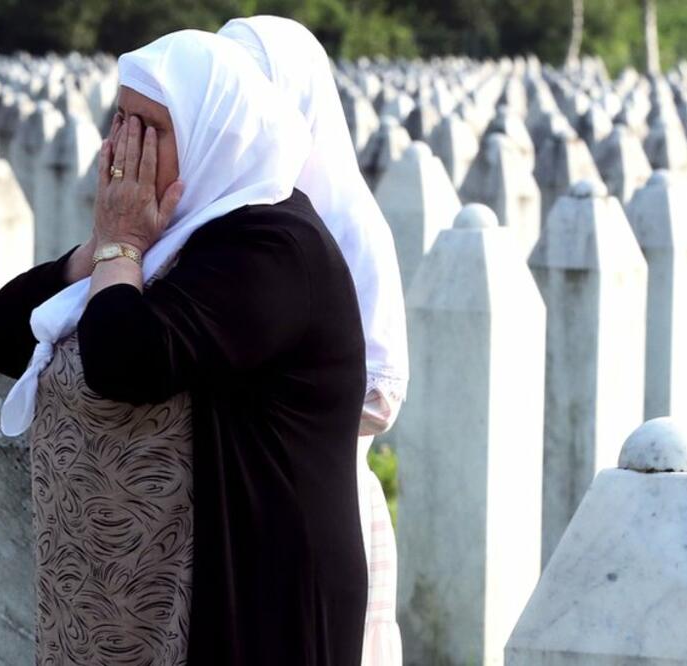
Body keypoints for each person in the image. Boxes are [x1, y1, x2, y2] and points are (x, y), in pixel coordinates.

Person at [0, 29, 369, 664]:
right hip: (149, 591)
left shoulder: (271, 248)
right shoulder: (179, 236)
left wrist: (121, 244)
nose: (120, 152)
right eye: (119, 121)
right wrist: (98, 251)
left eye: (149, 129)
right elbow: (2, 334)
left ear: (210, 132)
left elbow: (125, 362)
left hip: (254, 590)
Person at [218, 16, 408, 665]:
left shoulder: (350, 221)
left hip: (318, 493)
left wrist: (276, 403)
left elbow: (382, 389)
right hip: (221, 493)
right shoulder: (220, 204)